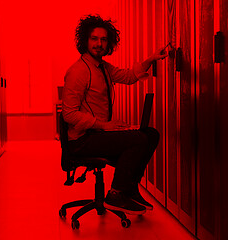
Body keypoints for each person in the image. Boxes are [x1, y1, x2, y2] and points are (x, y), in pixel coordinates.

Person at [62, 15, 168, 215]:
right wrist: (103, 125)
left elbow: (128, 76)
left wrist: (151, 59)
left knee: (151, 134)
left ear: (108, 43)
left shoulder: (102, 67)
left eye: (103, 39)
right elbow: (69, 114)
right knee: (136, 140)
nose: (99, 44)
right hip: (83, 139)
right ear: (85, 40)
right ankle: (116, 193)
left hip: (97, 134)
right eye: (94, 38)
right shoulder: (78, 72)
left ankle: (129, 188)